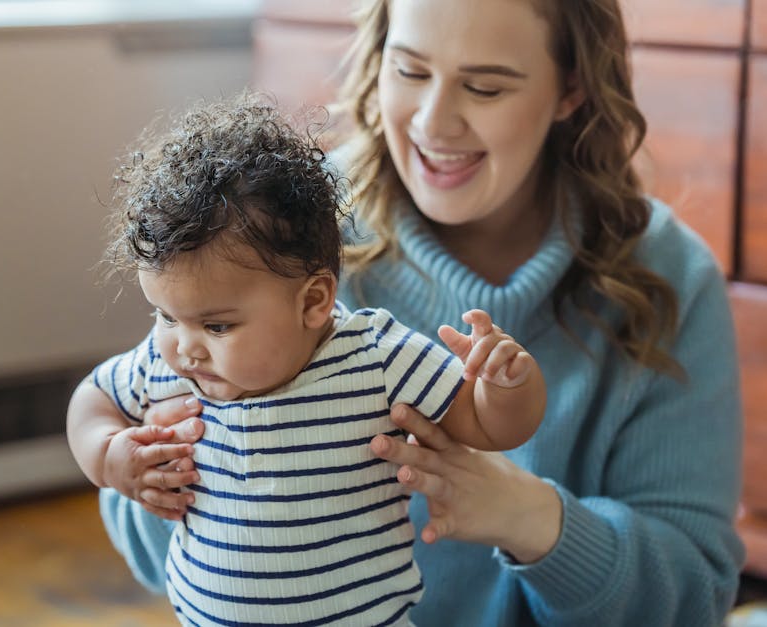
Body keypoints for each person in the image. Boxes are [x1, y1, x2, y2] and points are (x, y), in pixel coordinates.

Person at [96, 0, 746, 625]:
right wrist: (169, 466)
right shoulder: (279, 238)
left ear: (571, 88)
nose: (434, 123)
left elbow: (692, 596)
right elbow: (157, 556)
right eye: (409, 71)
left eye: (486, 88)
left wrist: (529, 516)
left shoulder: (669, 278)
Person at [67, 93, 547, 626]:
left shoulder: (375, 358)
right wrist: (108, 456)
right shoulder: (168, 367)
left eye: (217, 325)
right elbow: (93, 398)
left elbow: (486, 426)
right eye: (165, 316)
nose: (185, 346)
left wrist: (506, 388)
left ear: (314, 301)